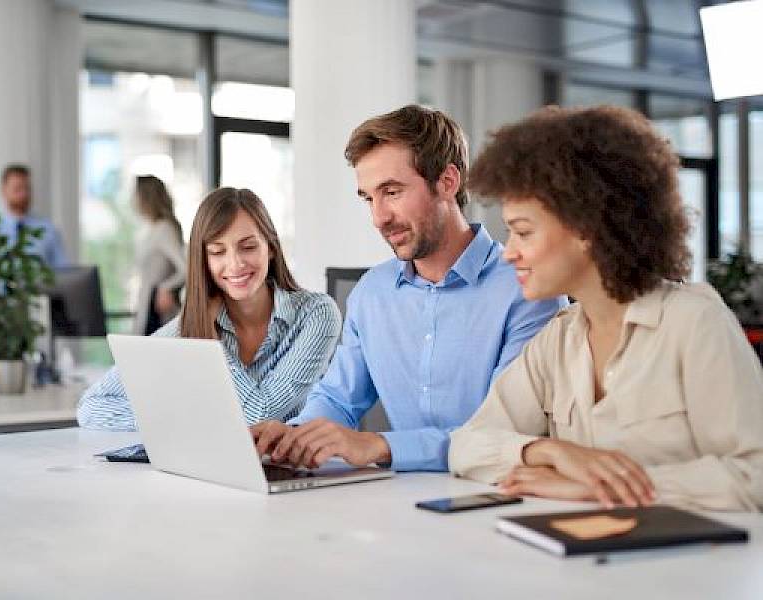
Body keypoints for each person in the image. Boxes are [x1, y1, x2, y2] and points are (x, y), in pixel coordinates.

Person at [448, 105, 763, 512]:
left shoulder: (693, 321)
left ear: (587, 229)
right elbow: (467, 446)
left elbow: (756, 476)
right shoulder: (558, 338)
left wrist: (604, 486)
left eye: (523, 232)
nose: (509, 253)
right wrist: (551, 453)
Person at [252, 105, 566, 472]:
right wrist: (293, 438)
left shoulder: (527, 289)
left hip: (493, 496)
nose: (378, 217)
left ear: (448, 182)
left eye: (392, 192)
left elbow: (503, 433)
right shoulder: (371, 294)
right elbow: (338, 399)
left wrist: (381, 446)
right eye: (369, 198)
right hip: (398, 503)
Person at [77, 187, 342, 429]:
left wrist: (211, 343)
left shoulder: (316, 314)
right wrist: (185, 418)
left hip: (289, 470)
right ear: (203, 260)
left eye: (248, 247)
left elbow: (261, 414)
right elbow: (92, 407)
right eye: (217, 252)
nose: (235, 264)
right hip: (212, 470)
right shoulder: (186, 328)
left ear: (271, 247)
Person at [132, 175, 187, 335]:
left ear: (145, 197)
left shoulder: (164, 229)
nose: (133, 199)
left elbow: (186, 268)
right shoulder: (151, 229)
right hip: (146, 305)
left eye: (135, 194)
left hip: (158, 309)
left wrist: (165, 288)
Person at [0, 164, 69, 268]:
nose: (24, 194)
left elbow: (64, 272)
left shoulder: (48, 229)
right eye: (18, 189)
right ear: (3, 191)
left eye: (27, 188)